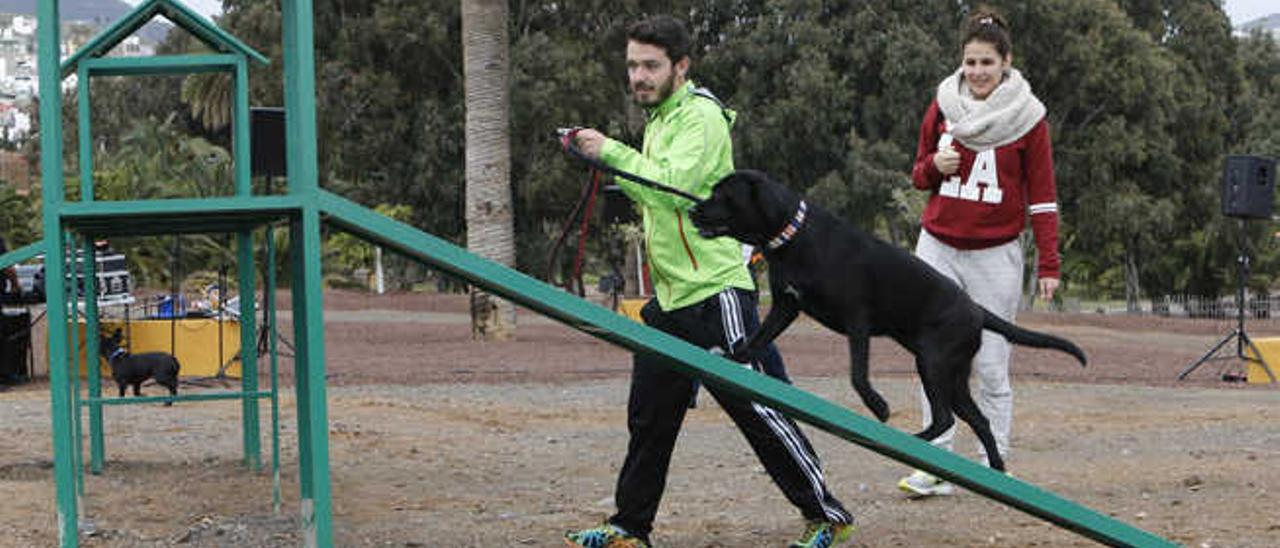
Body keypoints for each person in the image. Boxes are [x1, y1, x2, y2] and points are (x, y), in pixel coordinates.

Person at [564, 15, 854, 548]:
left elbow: (674, 190)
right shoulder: (659, 121)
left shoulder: (702, 118)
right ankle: (631, 526)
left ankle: (826, 515)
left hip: (715, 291)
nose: (639, 77)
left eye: (650, 66)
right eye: (632, 66)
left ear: (681, 66)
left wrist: (608, 152)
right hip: (670, 299)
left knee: (757, 408)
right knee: (649, 417)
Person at [899, 8, 1060, 498]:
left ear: (1006, 62)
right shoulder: (943, 105)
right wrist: (935, 165)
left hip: (995, 253)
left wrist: (1049, 262)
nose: (976, 72)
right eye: (969, 62)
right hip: (938, 247)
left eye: (987, 62)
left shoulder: (1029, 119)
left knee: (990, 362)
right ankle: (935, 463)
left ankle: (994, 463)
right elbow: (918, 174)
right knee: (933, 357)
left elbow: (1043, 195)